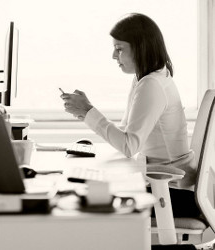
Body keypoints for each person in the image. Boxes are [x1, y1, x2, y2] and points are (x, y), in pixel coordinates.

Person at [60, 13, 200, 218]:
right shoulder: (145, 79)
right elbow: (126, 131)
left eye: (119, 49)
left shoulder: (151, 85)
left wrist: (89, 111)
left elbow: (129, 146)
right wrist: (85, 113)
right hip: (166, 186)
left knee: (84, 200)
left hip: (172, 194)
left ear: (141, 49)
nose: (113, 56)